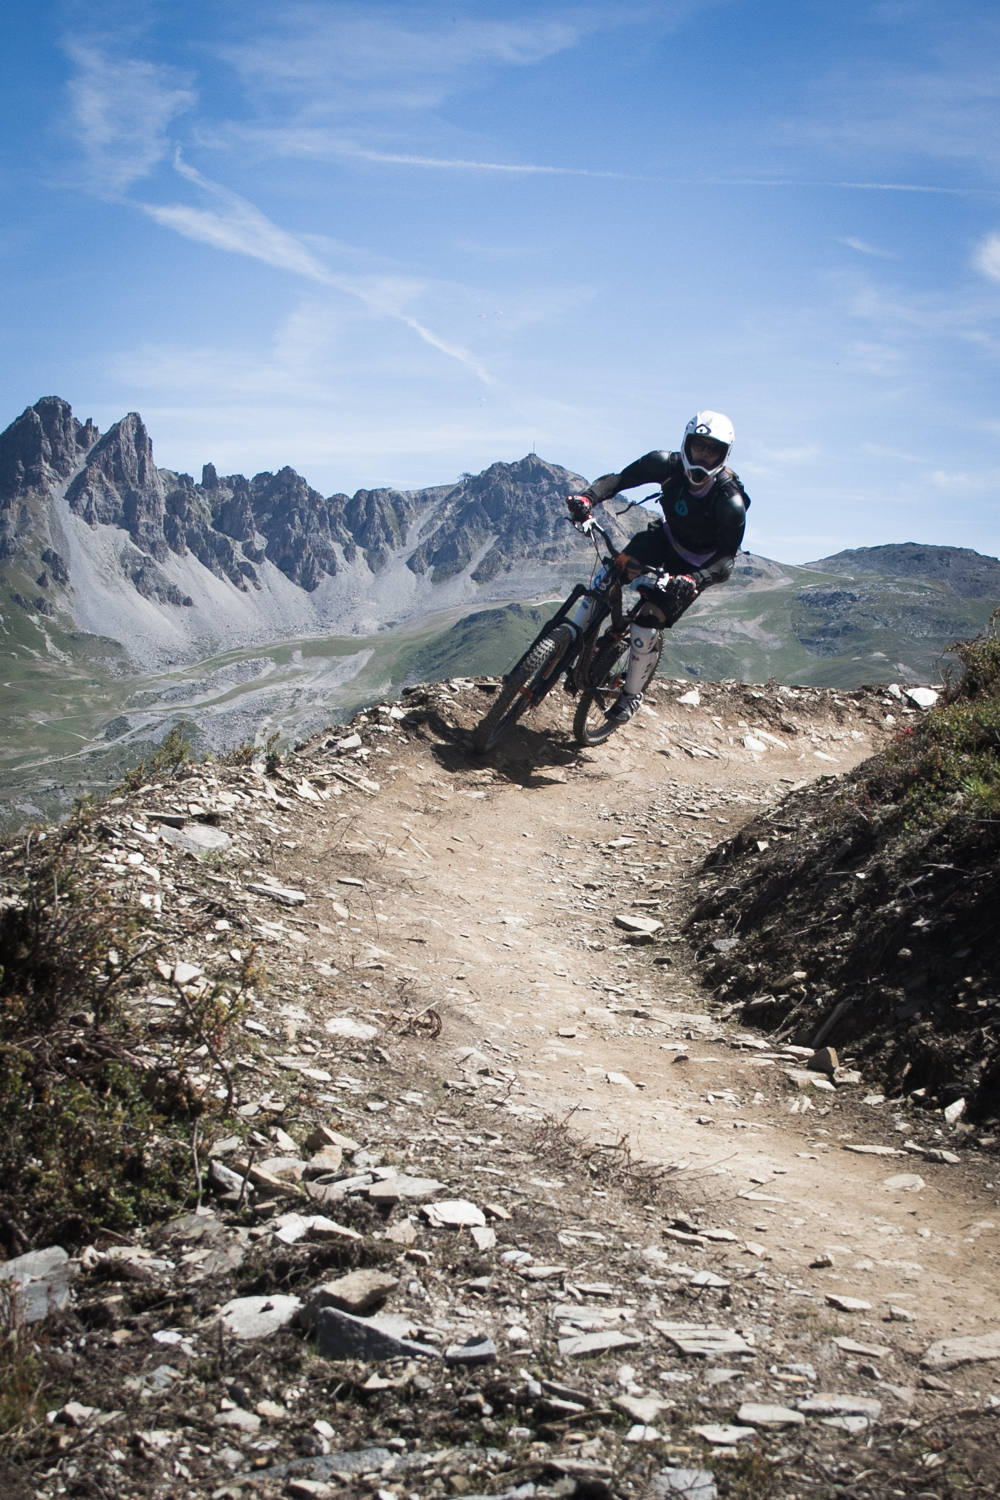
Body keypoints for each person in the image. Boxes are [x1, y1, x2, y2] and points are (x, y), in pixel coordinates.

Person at [565, 411, 749, 722]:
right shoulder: (665, 464)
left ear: (724, 454)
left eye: (713, 450)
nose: (704, 455)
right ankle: (566, 644)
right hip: (662, 538)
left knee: (646, 622)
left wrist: (695, 579)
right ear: (687, 443)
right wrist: (587, 498)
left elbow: (728, 558)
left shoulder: (729, 501)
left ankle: (631, 694)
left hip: (694, 567)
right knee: (608, 575)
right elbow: (621, 479)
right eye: (699, 446)